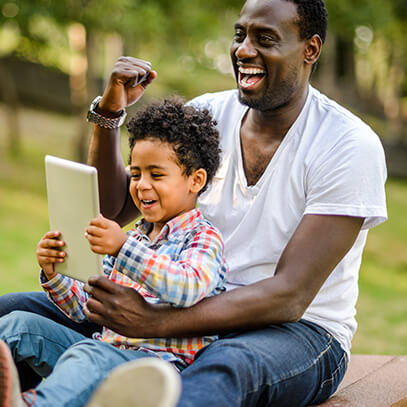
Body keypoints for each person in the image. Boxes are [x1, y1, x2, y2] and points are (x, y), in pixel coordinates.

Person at [0, 0, 387, 405]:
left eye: (265, 39)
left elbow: (289, 295)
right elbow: (116, 210)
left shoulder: (346, 145)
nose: (243, 50)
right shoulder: (207, 113)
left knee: (222, 367)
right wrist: (111, 111)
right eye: (240, 36)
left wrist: (156, 322)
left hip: (292, 329)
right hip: (166, 304)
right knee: (12, 312)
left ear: (311, 49)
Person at [0, 98, 228, 407]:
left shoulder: (203, 238)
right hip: (102, 353)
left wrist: (123, 248)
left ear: (195, 180)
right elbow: (88, 308)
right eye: (135, 174)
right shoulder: (134, 237)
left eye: (156, 175)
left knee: (88, 354)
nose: (142, 186)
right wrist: (55, 275)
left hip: (148, 370)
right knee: (16, 325)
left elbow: (187, 287)